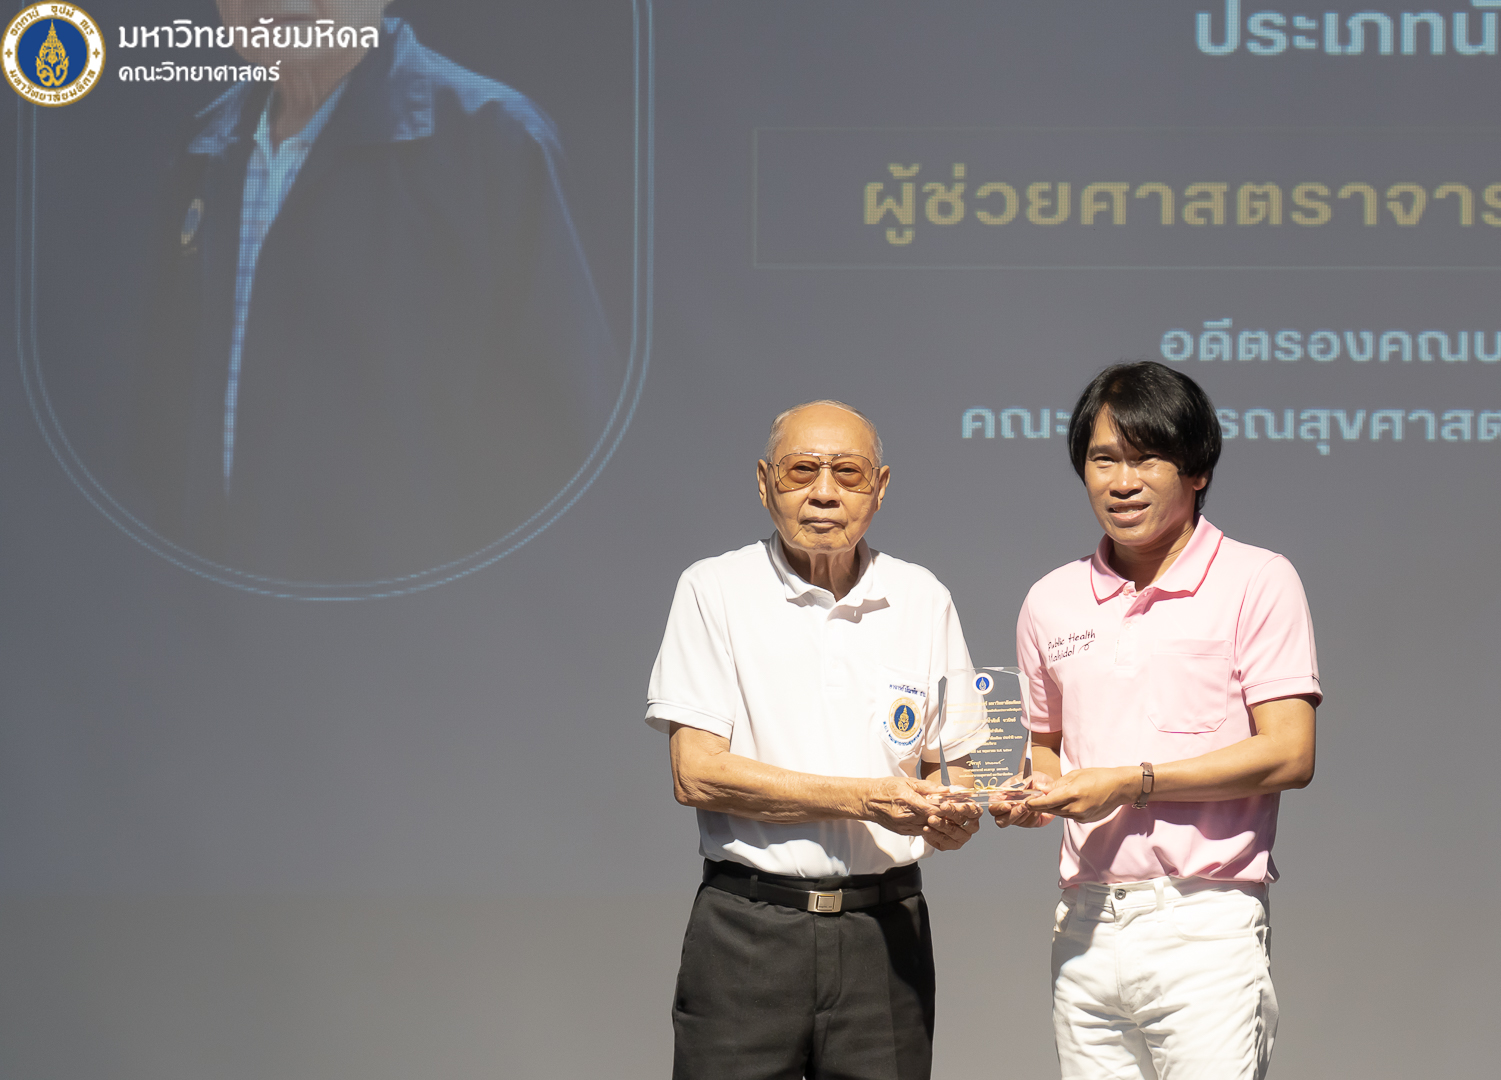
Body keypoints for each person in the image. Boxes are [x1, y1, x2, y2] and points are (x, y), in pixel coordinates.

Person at [129, 0, 617, 582]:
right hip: (215, 613)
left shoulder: (497, 142)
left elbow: (565, 439)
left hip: (413, 624)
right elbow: (164, 409)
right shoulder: (205, 147)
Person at [992, 361, 1321, 1080]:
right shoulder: (1050, 600)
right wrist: (1029, 795)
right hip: (1084, 923)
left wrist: (1131, 782)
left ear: (1197, 469)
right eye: (1103, 459)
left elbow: (1291, 754)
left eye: (1146, 459)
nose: (1122, 481)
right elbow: (1046, 750)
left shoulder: (1257, 579)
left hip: (1205, 919)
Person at [646, 400, 986, 1080]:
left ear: (880, 488)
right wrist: (865, 799)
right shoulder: (715, 589)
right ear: (764, 482)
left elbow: (954, 769)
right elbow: (696, 774)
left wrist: (955, 815)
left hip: (885, 932)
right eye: (802, 470)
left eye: (847, 473)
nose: (824, 492)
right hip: (748, 929)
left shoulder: (921, 597)